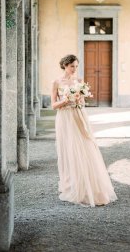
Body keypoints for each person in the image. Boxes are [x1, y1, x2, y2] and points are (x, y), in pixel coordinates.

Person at [51, 54, 117, 207]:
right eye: (72, 66)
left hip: (78, 115)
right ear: (65, 65)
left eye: (76, 66)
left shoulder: (79, 82)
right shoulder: (56, 82)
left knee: (84, 147)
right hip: (64, 118)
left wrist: (79, 100)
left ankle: (88, 186)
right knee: (68, 150)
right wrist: (65, 100)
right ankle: (71, 185)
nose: (74, 69)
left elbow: (82, 102)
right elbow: (53, 105)